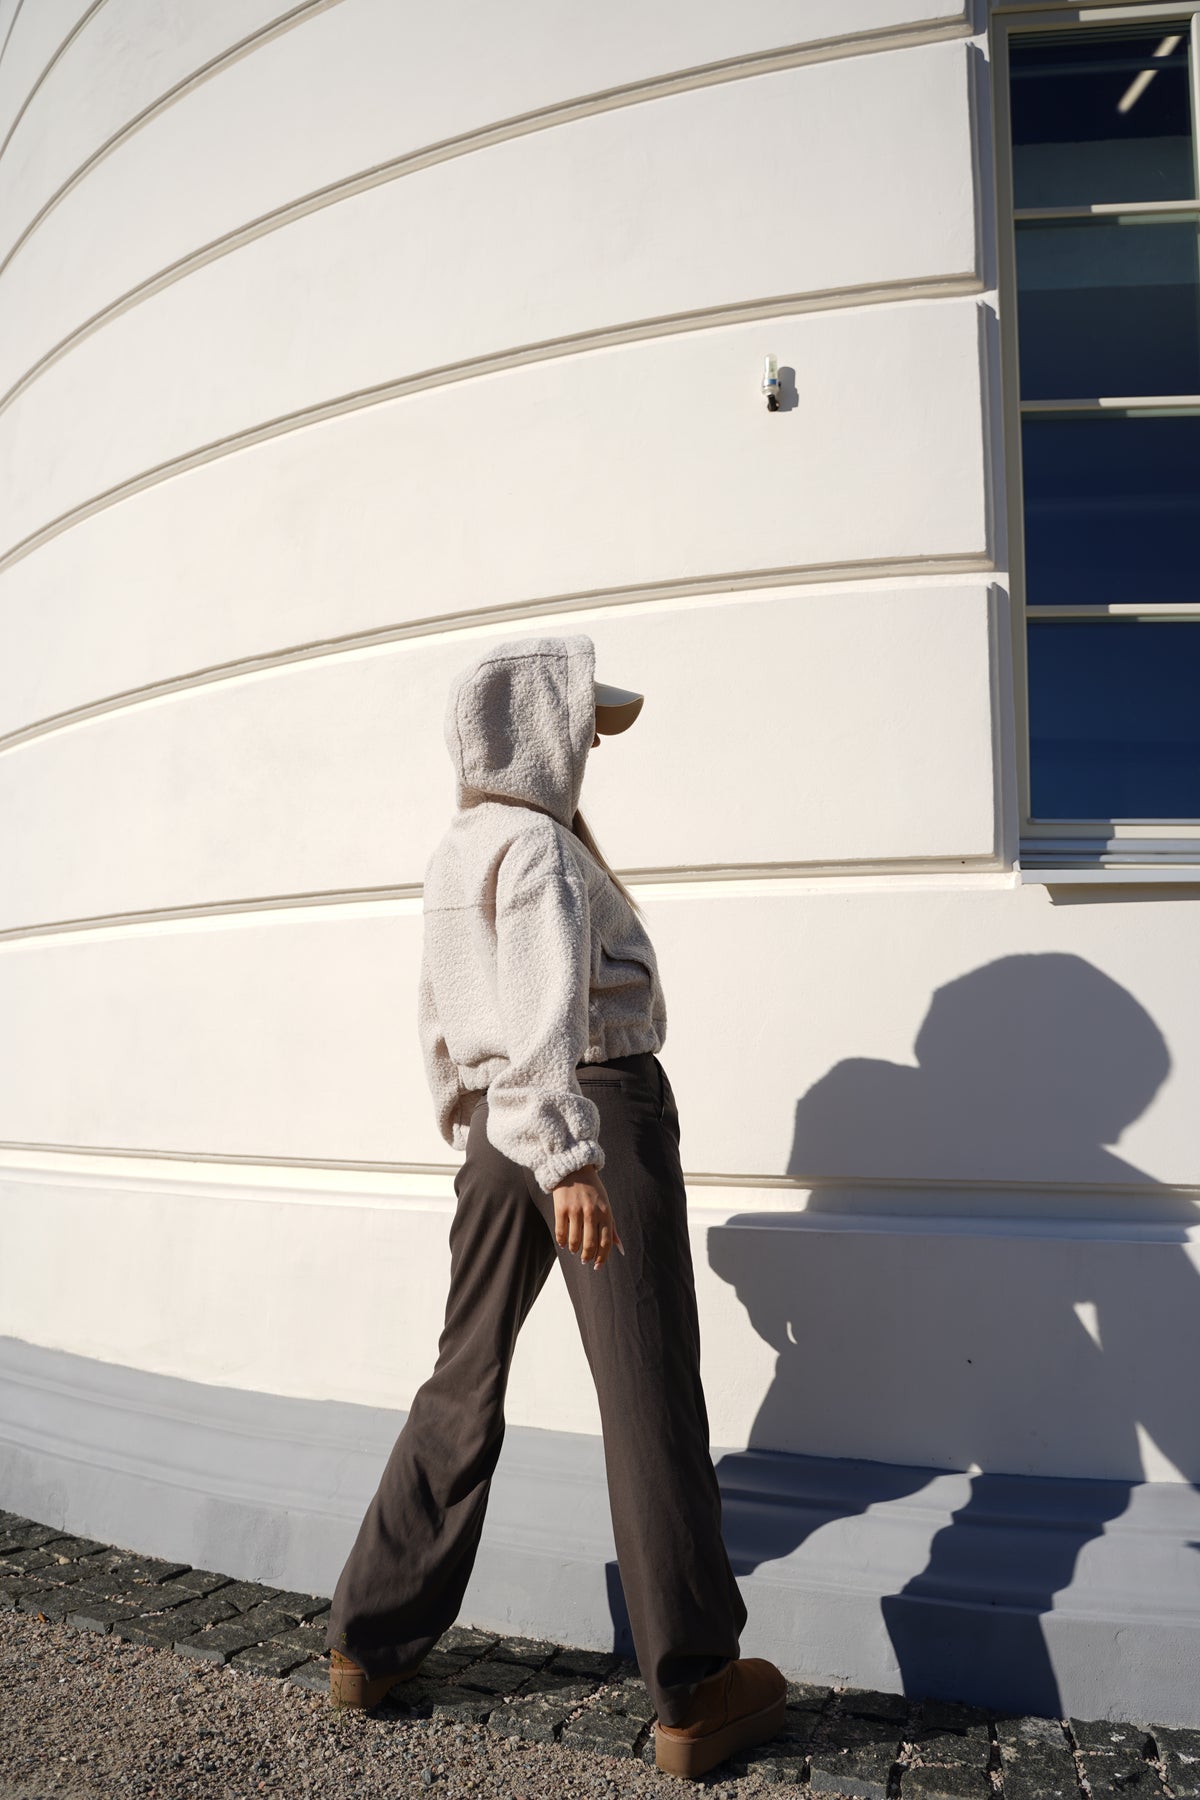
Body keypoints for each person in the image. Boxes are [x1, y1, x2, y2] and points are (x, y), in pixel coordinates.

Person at [323, 632, 786, 1778]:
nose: (593, 744)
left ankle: (369, 1638)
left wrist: (481, 1130)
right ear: (536, 731)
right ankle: (693, 1689)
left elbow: (445, 1019)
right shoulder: (540, 849)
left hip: (501, 1130)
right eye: (583, 724)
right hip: (591, 1114)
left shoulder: (459, 847)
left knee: (461, 1373)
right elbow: (547, 1018)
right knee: (646, 1390)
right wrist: (569, 1158)